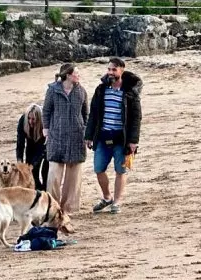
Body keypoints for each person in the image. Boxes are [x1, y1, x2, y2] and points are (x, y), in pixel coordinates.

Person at [85, 57, 143, 214]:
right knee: (98, 169)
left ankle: (116, 202)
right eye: (109, 69)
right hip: (103, 136)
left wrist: (133, 141)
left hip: (121, 139)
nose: (110, 72)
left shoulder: (130, 92)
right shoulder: (101, 89)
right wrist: (89, 136)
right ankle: (106, 197)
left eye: (114, 70)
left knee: (120, 171)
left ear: (121, 70)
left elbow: (136, 118)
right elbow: (93, 115)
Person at [42, 63, 89, 214]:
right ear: (68, 75)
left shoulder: (81, 91)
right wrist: (46, 129)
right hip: (57, 136)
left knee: (74, 176)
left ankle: (69, 208)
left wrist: (87, 134)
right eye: (76, 73)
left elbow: (85, 114)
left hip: (77, 137)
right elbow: (46, 111)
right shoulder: (52, 91)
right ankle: (53, 208)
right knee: (54, 175)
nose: (78, 75)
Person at [16, 103, 48, 191]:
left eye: (33, 119)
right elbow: (20, 143)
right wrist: (19, 161)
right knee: (31, 173)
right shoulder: (23, 120)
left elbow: (42, 148)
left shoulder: (45, 121)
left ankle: (46, 190)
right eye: (29, 118)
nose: (31, 121)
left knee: (45, 171)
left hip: (46, 144)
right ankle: (37, 190)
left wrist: (34, 163)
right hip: (31, 144)